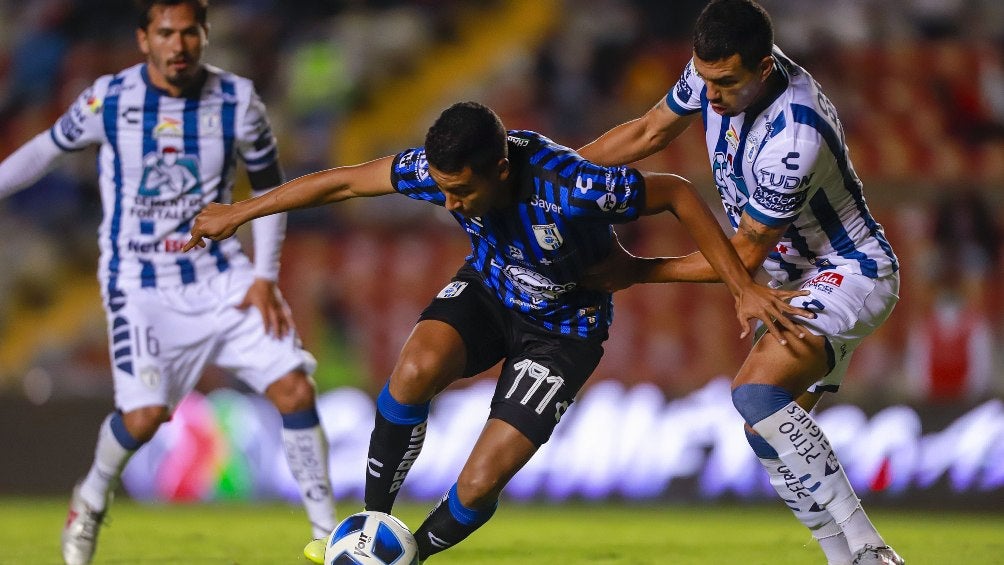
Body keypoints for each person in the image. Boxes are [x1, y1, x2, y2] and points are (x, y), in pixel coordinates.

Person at [184, 101, 811, 562]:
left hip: (565, 330)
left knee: (483, 479)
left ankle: (411, 555)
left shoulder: (573, 185)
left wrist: (734, 285)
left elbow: (674, 193)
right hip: (488, 293)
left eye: (462, 192)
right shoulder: (445, 171)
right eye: (443, 190)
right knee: (412, 370)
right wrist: (240, 211)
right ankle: (372, 521)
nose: (450, 204)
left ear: (502, 168)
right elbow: (346, 181)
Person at [0, 2, 338, 563]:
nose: (177, 44)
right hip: (141, 286)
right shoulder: (110, 99)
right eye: (165, 33)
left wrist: (264, 276)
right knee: (145, 418)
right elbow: (45, 150)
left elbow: (269, 188)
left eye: (188, 33)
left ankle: (329, 537)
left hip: (223, 277)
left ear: (204, 36)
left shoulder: (237, 101)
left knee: (295, 389)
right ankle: (91, 495)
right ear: (143, 38)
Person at [577, 1, 903, 564]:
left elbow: (744, 255)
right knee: (763, 429)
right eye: (703, 79)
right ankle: (841, 557)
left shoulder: (795, 135)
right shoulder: (715, 70)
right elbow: (650, 130)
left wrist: (637, 271)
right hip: (792, 280)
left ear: (764, 68)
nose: (710, 95)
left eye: (725, 82)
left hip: (849, 271)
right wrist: (558, 176)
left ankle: (872, 550)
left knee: (755, 393)